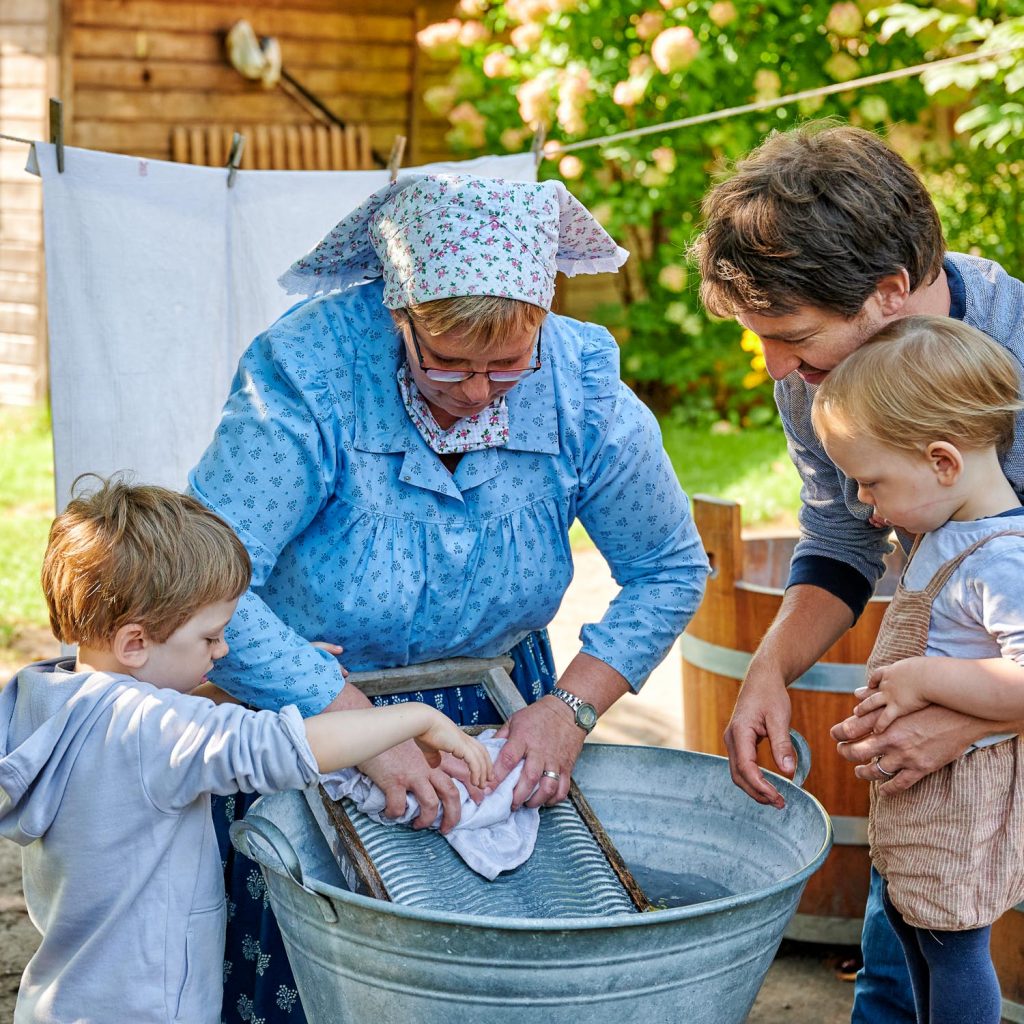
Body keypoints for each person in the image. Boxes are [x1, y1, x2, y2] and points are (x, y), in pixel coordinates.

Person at [189, 173, 710, 1022]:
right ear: (400, 316)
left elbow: (668, 565)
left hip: (496, 710)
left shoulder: (579, 387)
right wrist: (353, 727)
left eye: (506, 366)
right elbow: (207, 582)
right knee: (323, 977)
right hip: (309, 703)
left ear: (542, 316)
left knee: (489, 984)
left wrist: (569, 711)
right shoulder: (306, 375)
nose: (476, 393)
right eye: (447, 365)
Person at [692, 121, 1024, 1022]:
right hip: (932, 770)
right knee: (891, 968)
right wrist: (769, 670)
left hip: (993, 766)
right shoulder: (818, 377)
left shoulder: (1014, 360)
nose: (779, 371)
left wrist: (967, 725)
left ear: (889, 293)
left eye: (793, 338)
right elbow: (842, 535)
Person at [0, 477, 492, 1024]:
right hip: (150, 1007)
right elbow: (280, 747)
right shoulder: (149, 733)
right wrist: (413, 719)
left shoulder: (47, 700)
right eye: (210, 638)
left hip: (66, 997)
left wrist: (246, 681)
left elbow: (157, 725)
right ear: (134, 643)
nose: (224, 649)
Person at [810, 316, 1024, 1024]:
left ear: (942, 461)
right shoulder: (943, 533)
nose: (865, 506)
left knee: (952, 943)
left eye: (871, 483)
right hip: (922, 792)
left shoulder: (1000, 557)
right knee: (912, 929)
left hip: (962, 797)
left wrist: (923, 682)